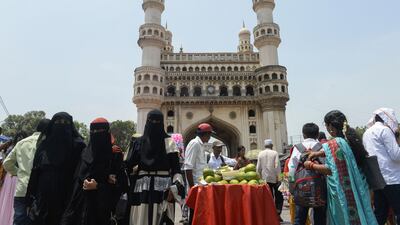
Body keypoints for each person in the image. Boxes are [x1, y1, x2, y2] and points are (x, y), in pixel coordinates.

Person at [306, 110, 378, 225]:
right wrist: (318, 153)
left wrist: (311, 165)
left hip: (343, 194)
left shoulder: (335, 143)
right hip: (360, 188)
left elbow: (331, 170)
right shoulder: (350, 138)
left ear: (330, 126)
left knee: (345, 219)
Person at [26, 112, 86, 225]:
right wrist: (29, 200)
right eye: (58, 122)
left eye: (65, 123)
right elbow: (35, 172)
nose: (61, 125)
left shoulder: (78, 146)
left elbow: (81, 174)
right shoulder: (44, 145)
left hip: (67, 200)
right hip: (43, 200)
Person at [126, 110, 184, 225]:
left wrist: (174, 189)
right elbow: (127, 166)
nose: (154, 123)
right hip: (142, 189)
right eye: (151, 121)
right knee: (141, 219)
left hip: (163, 189)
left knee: (161, 219)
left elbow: (176, 169)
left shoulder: (169, 142)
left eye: (157, 121)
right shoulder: (138, 142)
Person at [60, 118, 119, 225]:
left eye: (100, 132)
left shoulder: (114, 156)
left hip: (101, 210)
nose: (96, 135)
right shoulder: (84, 153)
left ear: (107, 133)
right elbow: (76, 181)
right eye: (93, 132)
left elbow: (120, 186)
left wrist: (98, 187)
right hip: (79, 208)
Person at [3, 119, 50, 225]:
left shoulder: (21, 143)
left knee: (19, 221)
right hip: (40, 191)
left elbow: (7, 163)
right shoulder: (48, 143)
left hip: (22, 190)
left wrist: (18, 172)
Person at [363, 108, 400, 225]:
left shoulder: (366, 133)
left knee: (380, 214)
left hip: (377, 179)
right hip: (391, 178)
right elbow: (396, 155)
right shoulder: (385, 130)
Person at [287, 123, 326, 225]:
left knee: (300, 218)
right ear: (317, 135)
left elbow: (291, 169)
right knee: (320, 218)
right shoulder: (322, 148)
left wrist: (291, 188)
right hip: (320, 188)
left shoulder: (297, 148)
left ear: (303, 134)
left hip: (301, 188)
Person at [0, 132, 28, 225]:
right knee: (13, 200)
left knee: (8, 199)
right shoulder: (25, 148)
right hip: (18, 177)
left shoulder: (11, 149)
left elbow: (6, 164)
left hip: (11, 176)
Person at [257, 139, 284, 222]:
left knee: (269, 197)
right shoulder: (275, 153)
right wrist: (279, 178)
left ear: (265, 146)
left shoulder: (260, 154)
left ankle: (270, 215)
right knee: (279, 197)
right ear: (271, 145)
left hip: (265, 179)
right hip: (275, 179)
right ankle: (277, 214)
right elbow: (277, 166)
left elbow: (258, 168)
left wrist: (259, 178)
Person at [183, 123, 213, 188]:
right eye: (210, 135)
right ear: (206, 134)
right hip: (195, 184)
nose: (210, 137)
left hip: (201, 183)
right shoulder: (194, 143)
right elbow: (188, 167)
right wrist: (192, 187)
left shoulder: (201, 145)